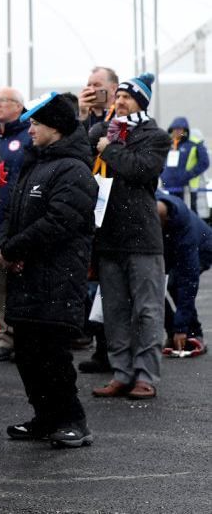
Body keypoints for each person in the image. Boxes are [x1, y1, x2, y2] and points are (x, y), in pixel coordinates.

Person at [0, 93, 98, 447]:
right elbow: (14, 213)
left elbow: (60, 221)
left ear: (55, 128)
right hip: (27, 275)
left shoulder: (72, 169)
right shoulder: (34, 164)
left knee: (53, 355)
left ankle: (72, 420)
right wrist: (6, 247)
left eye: (37, 124)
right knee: (27, 354)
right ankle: (45, 416)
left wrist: (15, 248)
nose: (31, 130)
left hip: (57, 278)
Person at [88, 73, 170, 400]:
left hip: (143, 239)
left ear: (142, 102)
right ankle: (121, 372)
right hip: (108, 237)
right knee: (115, 310)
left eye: (127, 97)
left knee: (148, 311)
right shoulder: (104, 132)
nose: (119, 101)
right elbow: (88, 142)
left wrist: (109, 149)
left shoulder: (157, 137)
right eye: (118, 96)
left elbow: (140, 169)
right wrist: (99, 126)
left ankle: (146, 376)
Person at [0, 87, 31, 362]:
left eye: (4, 101)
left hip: (17, 220)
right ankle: (4, 335)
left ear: (18, 106)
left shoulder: (27, 137)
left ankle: (20, 335)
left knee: (19, 281)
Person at [156, 191, 210, 356]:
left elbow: (188, 279)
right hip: (169, 247)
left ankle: (193, 333)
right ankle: (174, 331)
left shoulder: (183, 226)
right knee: (154, 288)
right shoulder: (152, 201)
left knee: (176, 284)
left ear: (164, 221)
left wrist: (181, 328)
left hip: (203, 248)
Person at [161, 117, 209, 212]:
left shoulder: (194, 143)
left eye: (180, 129)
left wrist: (187, 175)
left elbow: (204, 162)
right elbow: (160, 161)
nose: (177, 132)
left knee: (188, 214)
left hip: (187, 188)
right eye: (174, 129)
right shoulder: (168, 143)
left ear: (185, 130)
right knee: (171, 215)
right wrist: (163, 176)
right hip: (169, 187)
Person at [77, 66, 120, 131]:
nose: (91, 89)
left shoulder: (122, 114)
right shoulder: (82, 114)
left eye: (96, 85)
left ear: (113, 89)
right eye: (89, 85)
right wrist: (83, 115)